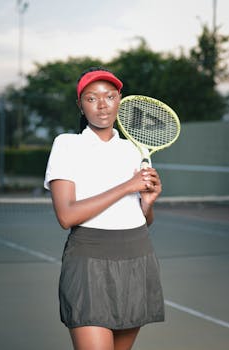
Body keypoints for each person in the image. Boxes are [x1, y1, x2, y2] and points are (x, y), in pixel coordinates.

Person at [44, 67, 164, 350]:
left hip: (137, 257)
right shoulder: (67, 145)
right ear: (80, 105)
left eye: (110, 96)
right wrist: (127, 185)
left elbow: (143, 220)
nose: (102, 105)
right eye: (91, 98)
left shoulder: (133, 150)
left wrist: (147, 205)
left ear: (119, 100)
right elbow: (67, 215)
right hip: (88, 262)